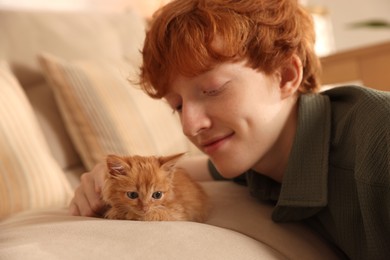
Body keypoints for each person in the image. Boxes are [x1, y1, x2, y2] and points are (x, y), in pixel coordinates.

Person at [69, 0, 390, 259]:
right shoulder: (264, 154)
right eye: (177, 105)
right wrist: (106, 173)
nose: (190, 126)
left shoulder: (376, 152)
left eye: (213, 89)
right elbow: (190, 170)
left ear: (285, 75)